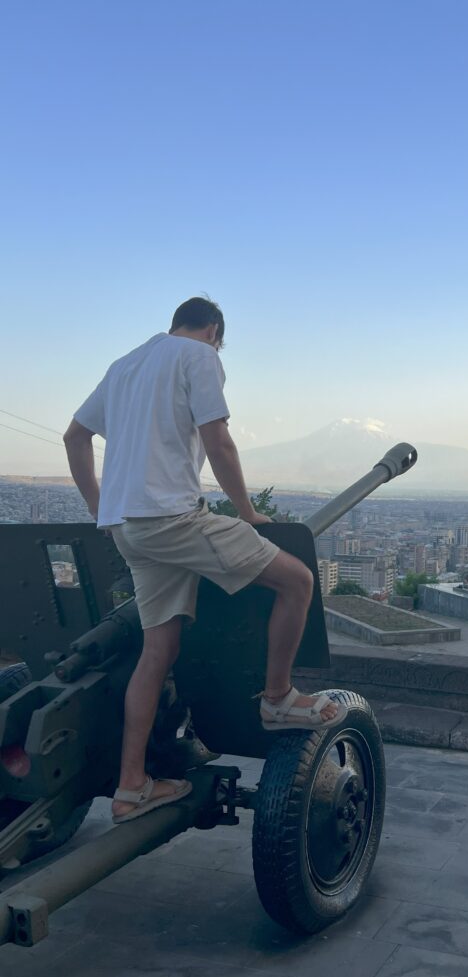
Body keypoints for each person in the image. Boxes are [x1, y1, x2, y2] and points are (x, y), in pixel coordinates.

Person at [64, 296, 345, 824]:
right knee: (298, 581)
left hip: (129, 529)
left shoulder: (125, 365)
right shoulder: (200, 357)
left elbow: (74, 436)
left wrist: (101, 508)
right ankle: (279, 697)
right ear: (214, 331)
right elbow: (218, 439)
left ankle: (132, 786)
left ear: (175, 323)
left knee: (158, 650)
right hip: (172, 519)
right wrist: (247, 513)